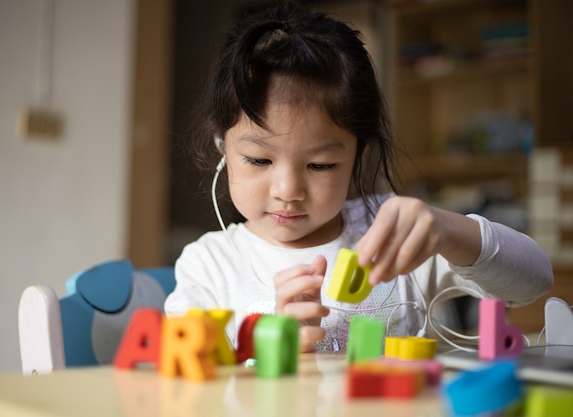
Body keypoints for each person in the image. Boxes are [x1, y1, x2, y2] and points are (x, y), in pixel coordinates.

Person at [164, 1, 553, 352]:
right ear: (223, 148)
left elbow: (535, 281)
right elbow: (186, 391)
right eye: (258, 160)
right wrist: (263, 354)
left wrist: (451, 230)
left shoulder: (393, 235)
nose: (288, 191)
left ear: (357, 157)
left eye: (320, 165)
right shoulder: (209, 265)